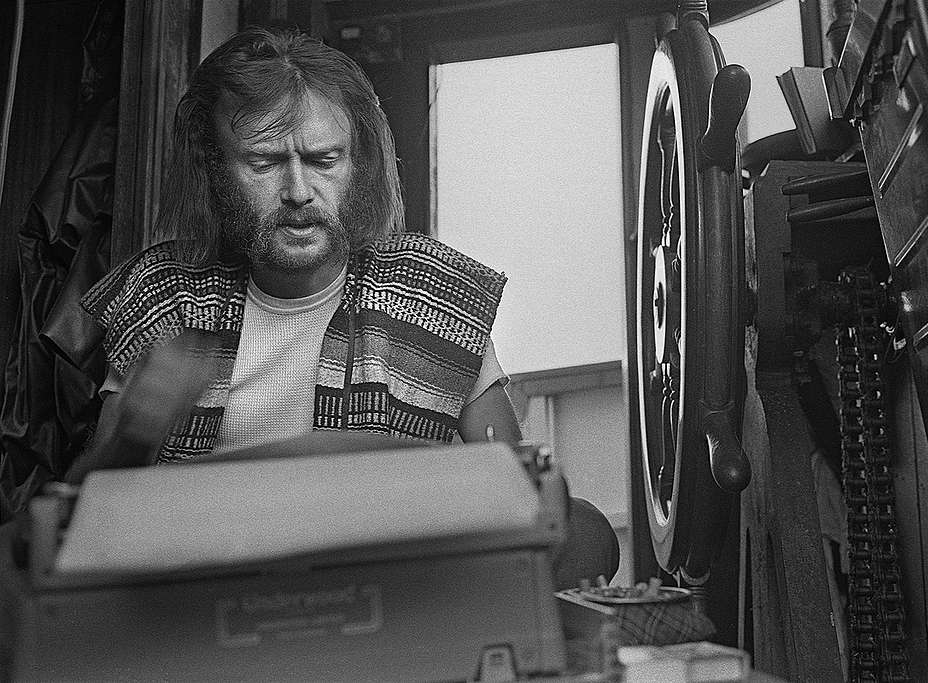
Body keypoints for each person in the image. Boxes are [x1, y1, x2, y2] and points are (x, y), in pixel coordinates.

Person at [64, 25, 617, 585]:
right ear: (214, 171)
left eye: (324, 160)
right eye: (263, 163)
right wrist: (138, 430)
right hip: (208, 607)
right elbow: (84, 519)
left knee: (587, 529)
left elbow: (520, 500)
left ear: (357, 164)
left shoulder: (434, 296)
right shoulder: (165, 298)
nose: (299, 191)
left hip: (393, 599)